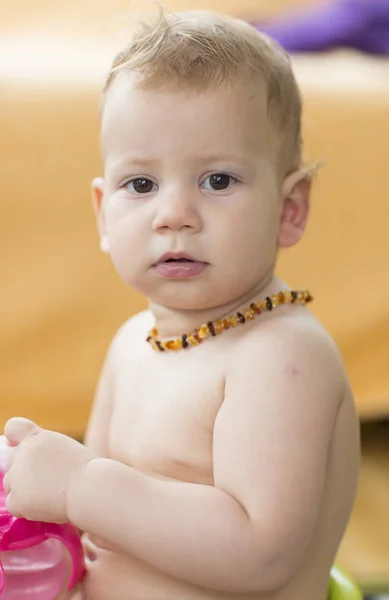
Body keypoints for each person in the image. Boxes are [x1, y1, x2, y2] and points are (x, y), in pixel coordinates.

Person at [2, 9, 360, 600]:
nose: (174, 214)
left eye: (217, 180)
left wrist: (81, 484)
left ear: (290, 207)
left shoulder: (281, 356)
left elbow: (259, 554)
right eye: (140, 185)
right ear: (103, 214)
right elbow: (96, 530)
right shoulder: (131, 343)